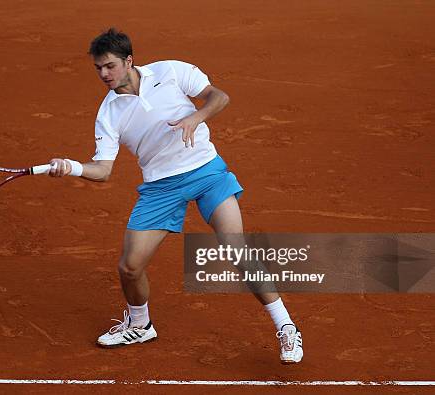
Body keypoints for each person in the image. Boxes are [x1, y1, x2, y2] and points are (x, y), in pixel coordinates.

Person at [48, 28, 303, 364]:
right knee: (129, 266)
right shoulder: (108, 113)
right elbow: (103, 169)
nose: (104, 74)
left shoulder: (172, 71)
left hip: (206, 172)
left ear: (129, 61)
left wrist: (194, 118)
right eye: (98, 68)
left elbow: (219, 97)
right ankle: (140, 325)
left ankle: (285, 326)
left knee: (236, 249)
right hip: (161, 188)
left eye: (109, 66)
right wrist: (70, 167)